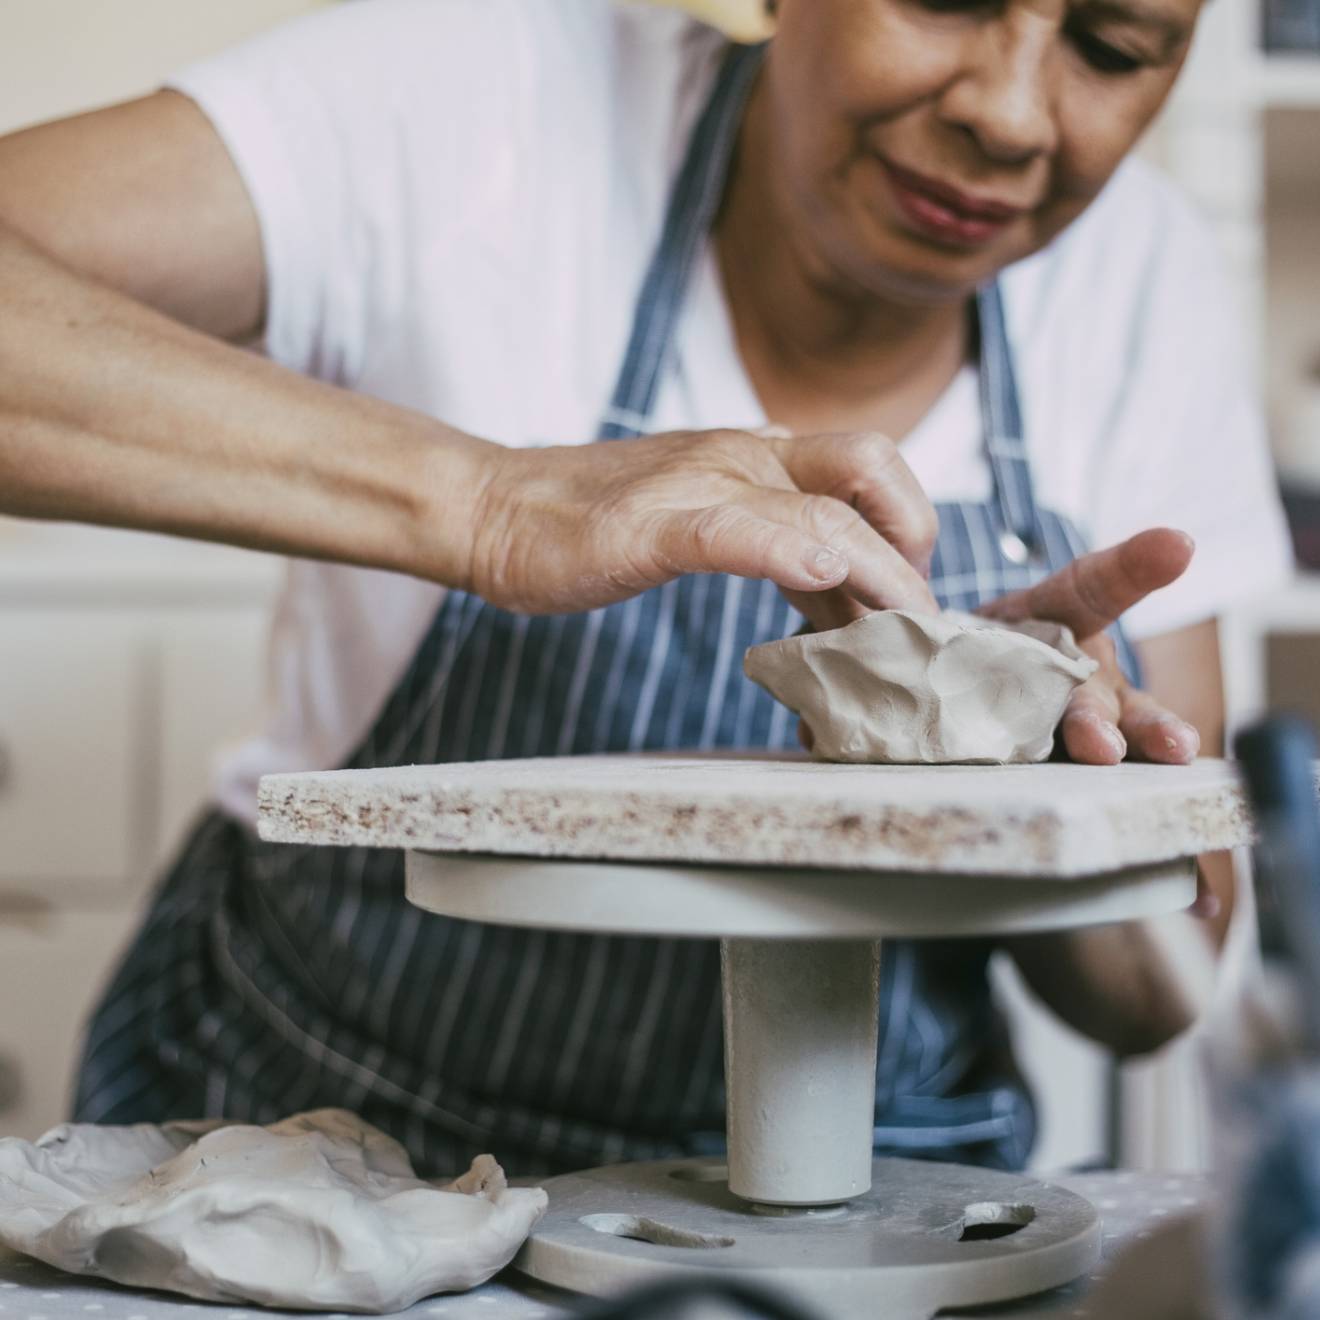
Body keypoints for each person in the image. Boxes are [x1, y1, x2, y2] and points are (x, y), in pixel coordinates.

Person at [0, 0, 1292, 1175]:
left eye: (1115, 49)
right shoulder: (482, 100)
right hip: (326, 1132)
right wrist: (487, 500)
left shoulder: (1142, 283)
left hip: (878, 1202)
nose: (1009, 114)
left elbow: (1160, 1000)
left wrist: (1050, 816)